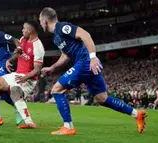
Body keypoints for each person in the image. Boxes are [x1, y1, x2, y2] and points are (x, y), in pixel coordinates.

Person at [39, 7, 146, 135]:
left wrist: (93, 57)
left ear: (45, 21)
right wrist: (52, 68)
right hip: (86, 65)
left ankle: (68, 126)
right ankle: (136, 114)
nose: (40, 24)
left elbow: (85, 35)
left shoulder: (62, 27)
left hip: (85, 62)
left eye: (40, 21)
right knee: (102, 99)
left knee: (56, 90)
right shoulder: (56, 37)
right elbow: (66, 55)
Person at [0, 20, 45, 129]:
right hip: (17, 74)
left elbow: (37, 70)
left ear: (30, 30)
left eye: (24, 28)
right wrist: (10, 60)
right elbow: (18, 54)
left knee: (15, 91)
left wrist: (25, 78)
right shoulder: (23, 39)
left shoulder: (38, 47)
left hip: (29, 79)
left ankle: (29, 122)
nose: (22, 30)